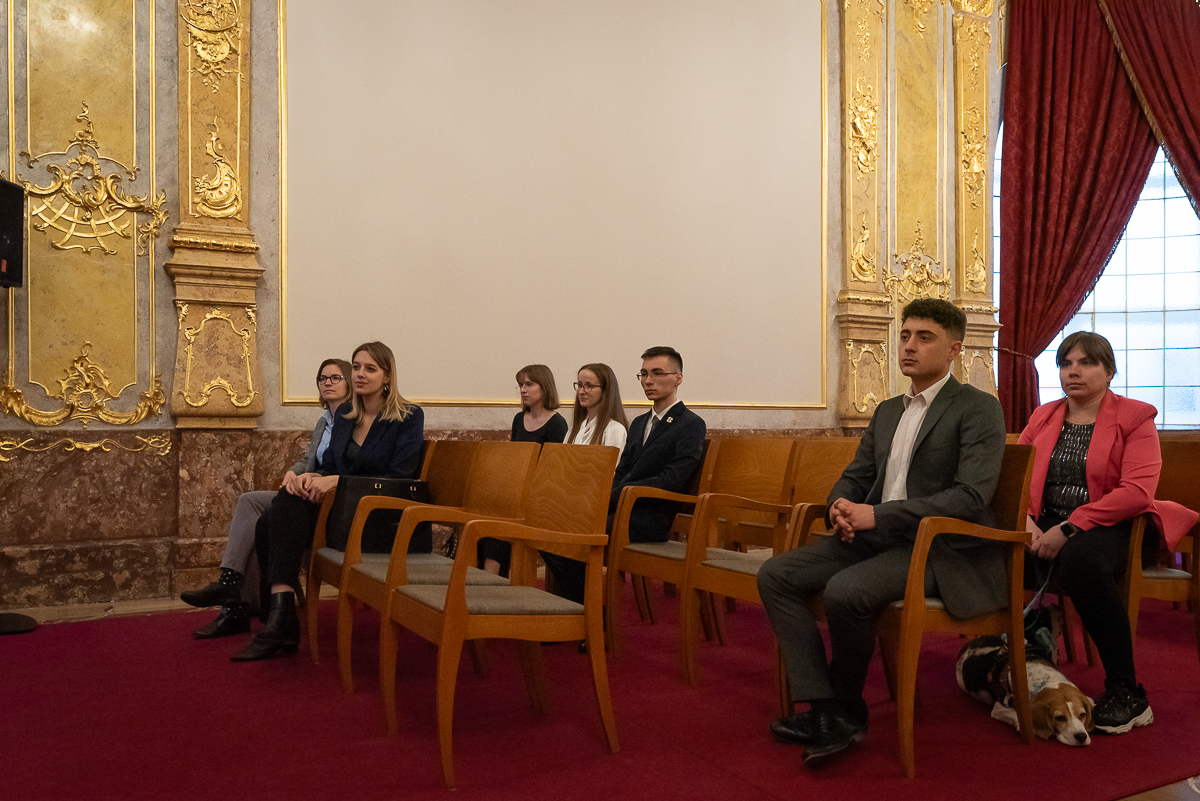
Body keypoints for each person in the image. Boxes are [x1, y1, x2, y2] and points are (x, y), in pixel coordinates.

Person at [757, 298, 1007, 768]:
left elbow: (970, 496)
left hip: (937, 546)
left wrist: (879, 515)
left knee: (846, 591)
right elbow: (857, 474)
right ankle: (828, 707)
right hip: (875, 538)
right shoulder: (890, 409)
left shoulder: (977, 408)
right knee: (777, 575)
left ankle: (846, 707)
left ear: (954, 349)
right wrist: (840, 506)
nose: (909, 346)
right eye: (905, 335)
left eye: (924, 338)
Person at [1018, 331, 1197, 735]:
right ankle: (1017, 653)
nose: (1073, 371)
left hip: (1116, 524)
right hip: (1046, 523)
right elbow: (1017, 477)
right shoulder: (1043, 416)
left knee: (1081, 559)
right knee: (992, 545)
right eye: (1066, 363)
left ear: (1109, 371)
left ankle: (1127, 692)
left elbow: (1136, 492)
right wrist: (1026, 524)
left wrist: (1069, 527)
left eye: (1086, 363)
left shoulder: (1134, 417)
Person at [231, 341, 424, 662]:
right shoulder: (347, 416)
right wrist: (311, 477)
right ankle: (281, 613)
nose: (360, 374)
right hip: (341, 511)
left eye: (370, 369)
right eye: (356, 367)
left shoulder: (408, 416)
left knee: (273, 518)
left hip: (380, 519)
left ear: (388, 376)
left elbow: (400, 481)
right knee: (279, 508)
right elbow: (331, 466)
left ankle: (281, 622)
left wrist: (337, 481)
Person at [181, 358, 352, 639]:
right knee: (250, 504)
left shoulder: (353, 420)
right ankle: (231, 595)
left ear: (349, 383)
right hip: (307, 490)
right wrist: (292, 472)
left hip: (327, 497)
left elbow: (342, 468)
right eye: (323, 379)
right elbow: (308, 460)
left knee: (263, 516)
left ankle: (231, 597)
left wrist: (312, 479)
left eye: (336, 378)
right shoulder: (324, 422)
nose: (328, 383)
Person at [545, 347, 705, 604]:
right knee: (550, 525)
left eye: (657, 373)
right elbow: (622, 471)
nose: (648, 381)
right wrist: (603, 498)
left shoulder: (690, 423)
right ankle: (581, 607)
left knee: (575, 531)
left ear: (678, 378)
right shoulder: (640, 422)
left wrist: (618, 495)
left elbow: (672, 479)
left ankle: (585, 611)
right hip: (621, 508)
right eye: (643, 374)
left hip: (650, 516)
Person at [478, 364, 569, 576]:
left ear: (544, 387)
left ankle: (491, 575)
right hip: (516, 491)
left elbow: (553, 470)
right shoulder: (519, 419)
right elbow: (514, 459)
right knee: (486, 507)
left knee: (503, 514)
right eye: (521, 385)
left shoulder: (557, 424)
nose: (523, 390)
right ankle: (488, 572)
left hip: (539, 495)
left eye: (529, 384)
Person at [563, 363, 628, 455]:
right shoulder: (574, 429)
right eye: (580, 385)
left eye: (589, 386)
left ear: (605, 390)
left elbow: (611, 463)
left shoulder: (614, 429)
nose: (581, 391)